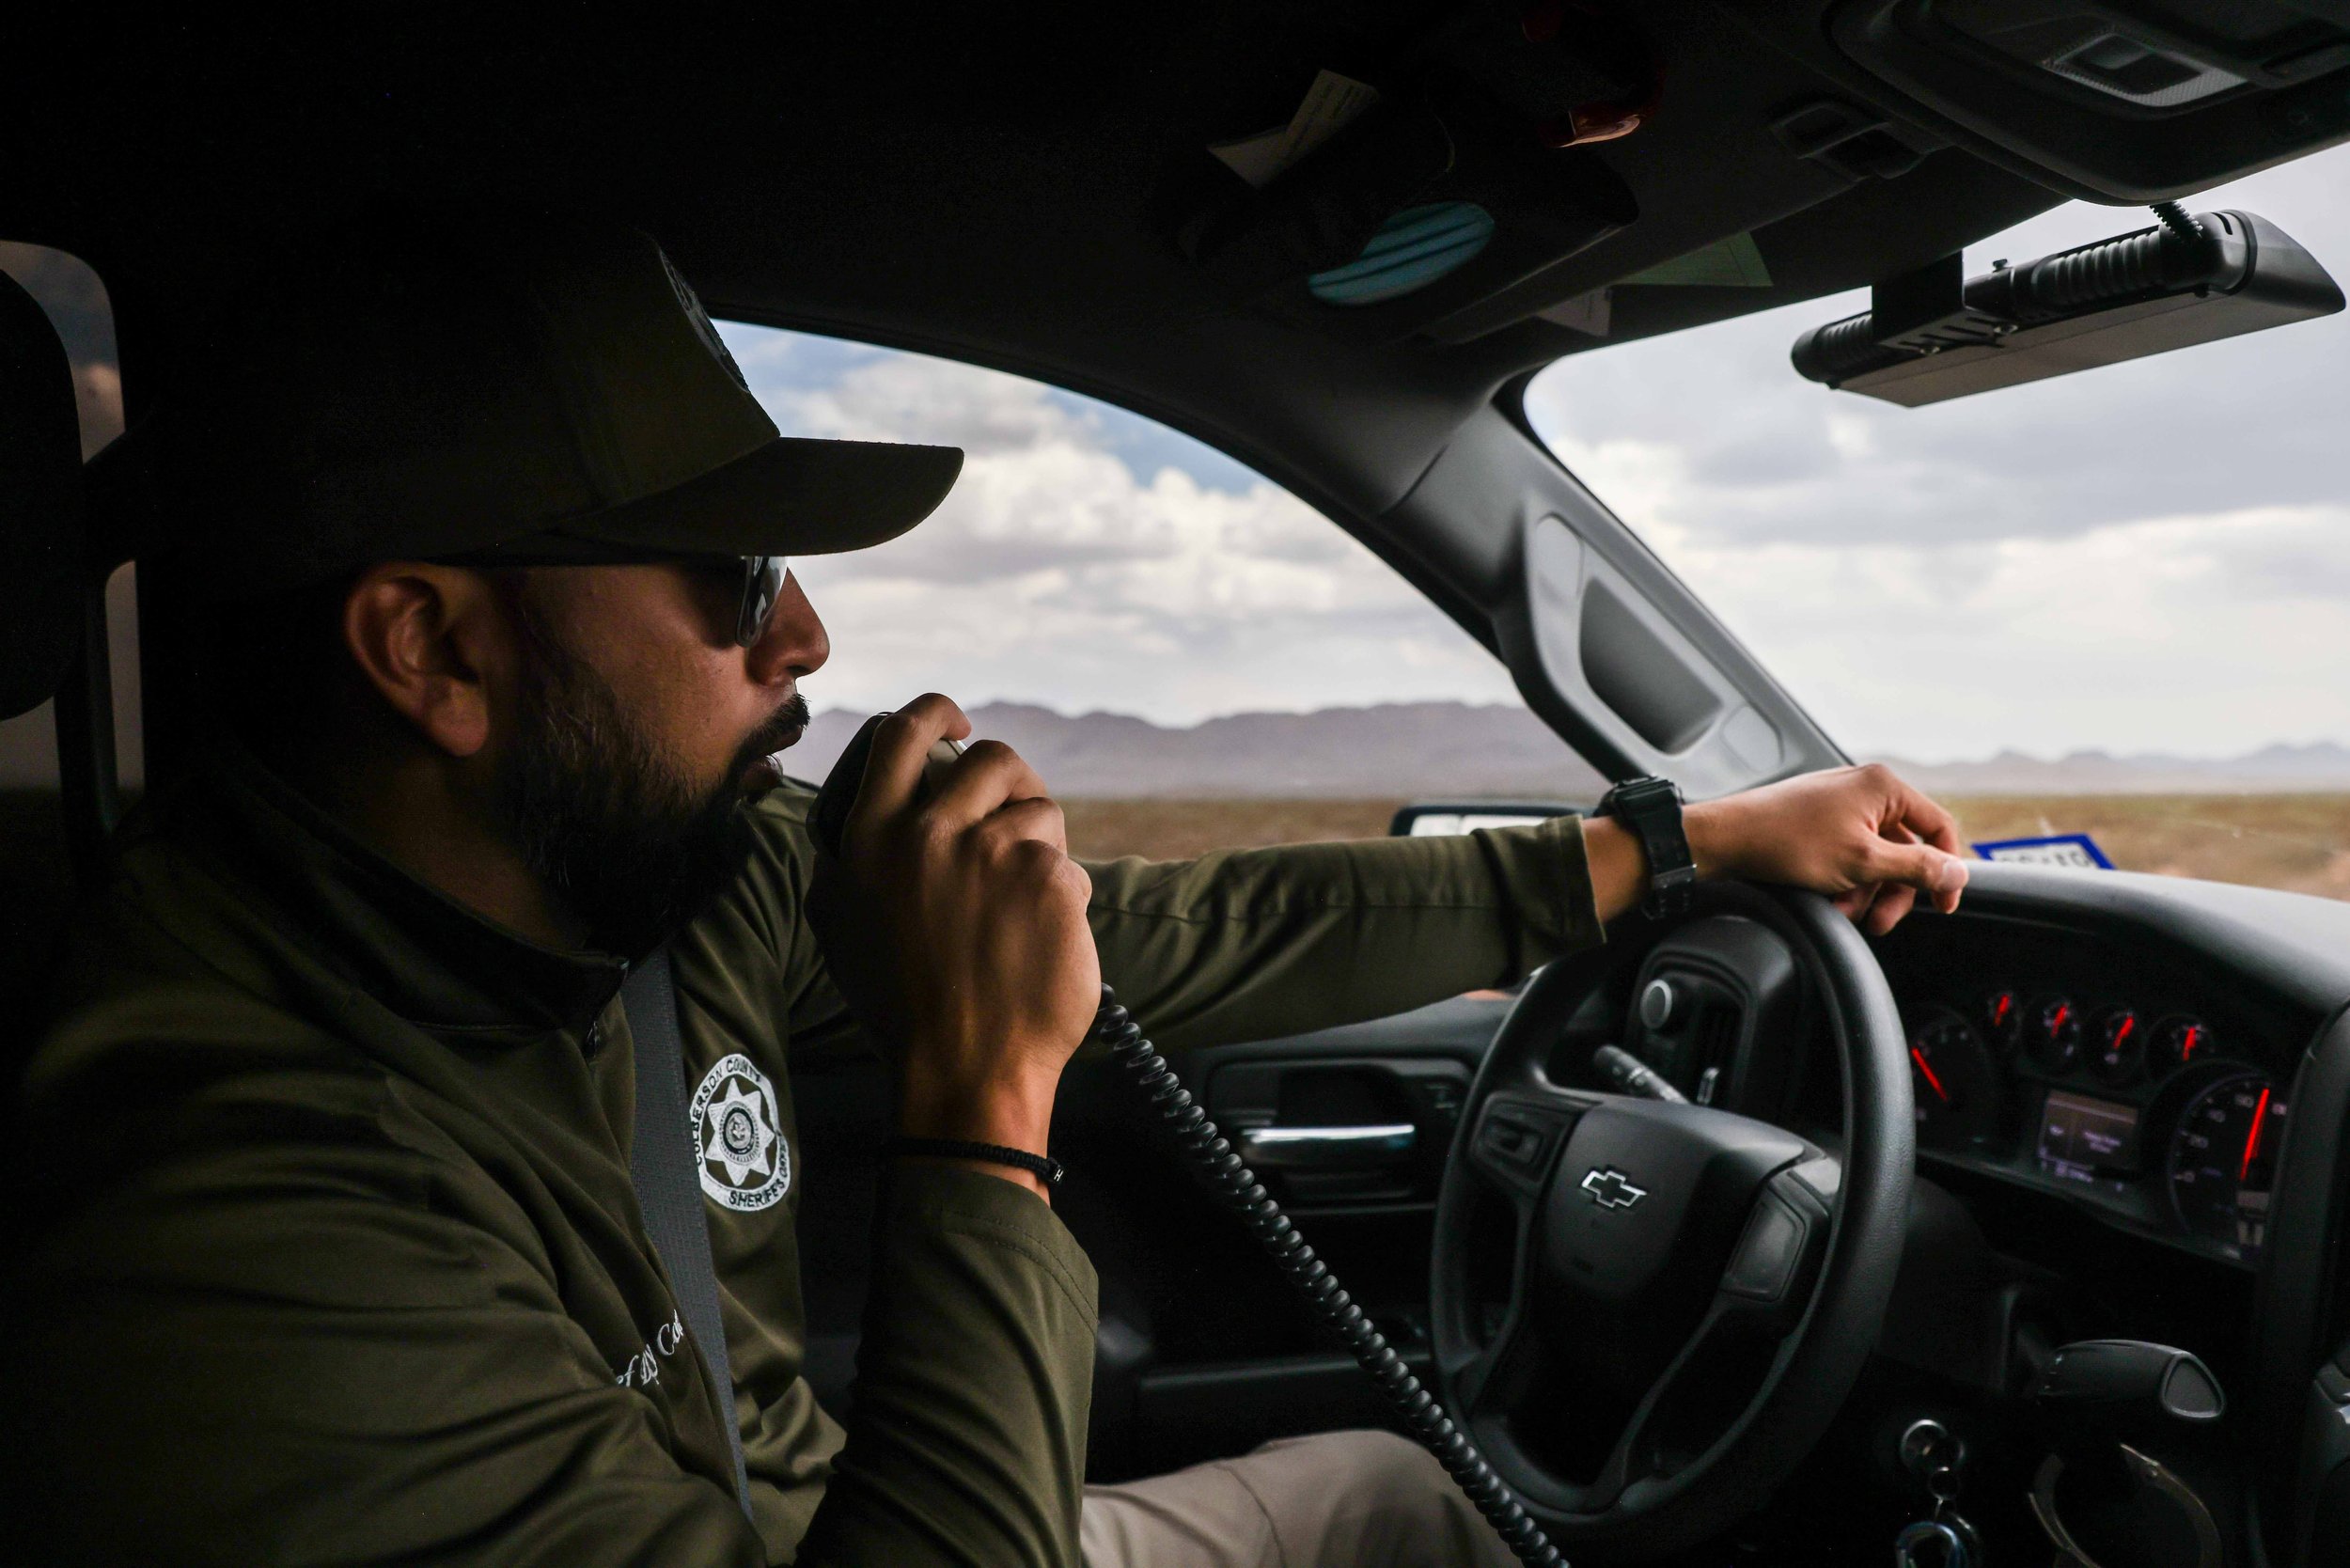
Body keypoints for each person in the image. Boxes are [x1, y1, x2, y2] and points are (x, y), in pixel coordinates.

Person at [4, 215, 1970, 1568]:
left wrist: (1672, 850)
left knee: (1398, 1503)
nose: (805, 635)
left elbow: (1170, 938)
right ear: (428, 649)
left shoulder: (622, 889)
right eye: (729, 576)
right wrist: (978, 1115)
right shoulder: (227, 1213)